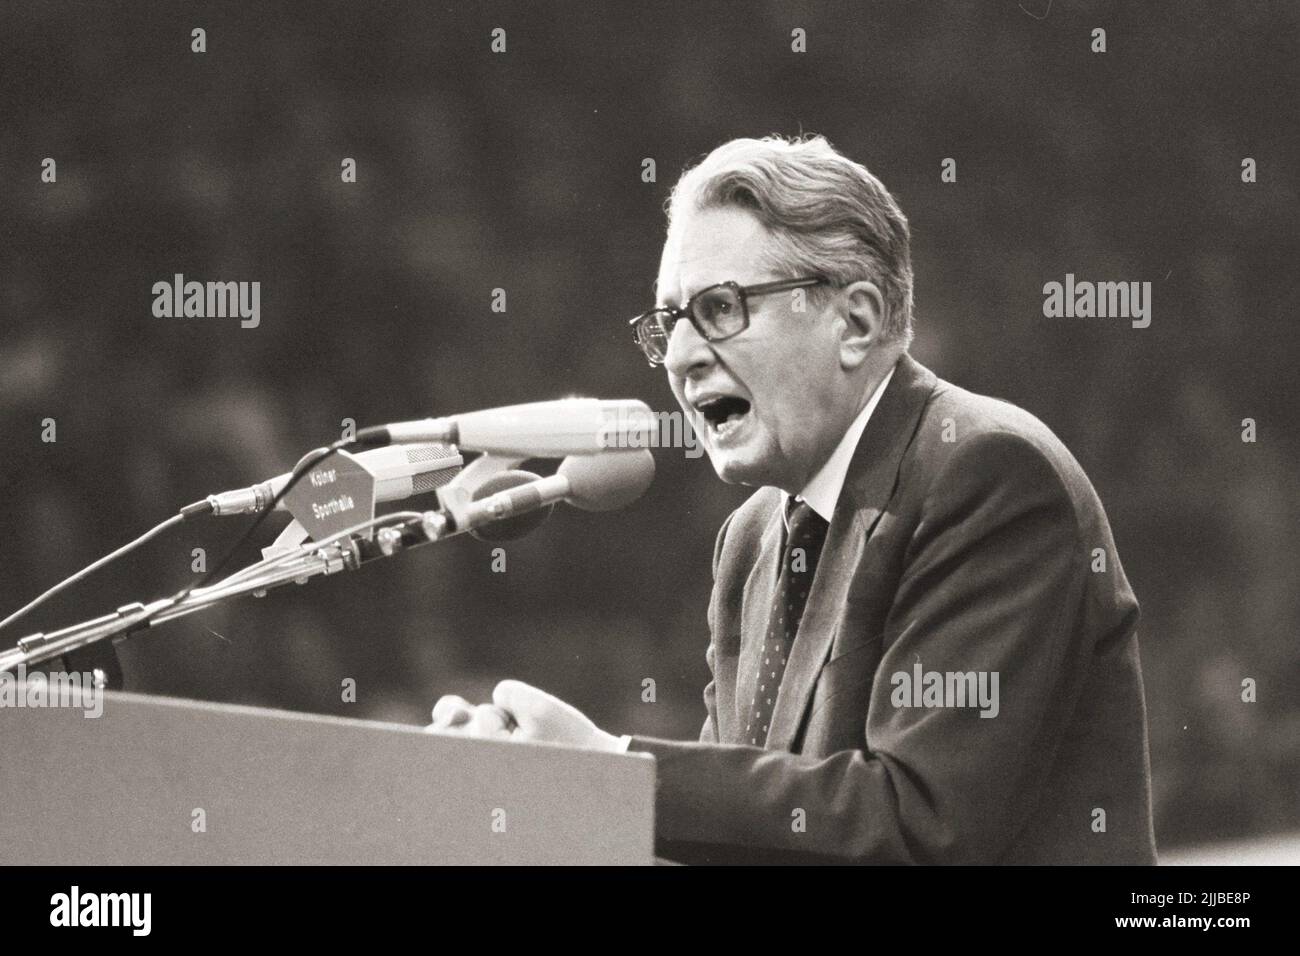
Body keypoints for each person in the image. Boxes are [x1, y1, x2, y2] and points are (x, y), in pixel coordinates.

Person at [429, 134, 1157, 864]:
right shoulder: (751, 539)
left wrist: (613, 770)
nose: (680, 357)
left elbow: (922, 826)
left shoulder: (989, 474)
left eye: (719, 307)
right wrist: (524, 791)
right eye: (666, 323)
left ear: (856, 321)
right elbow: (747, 846)